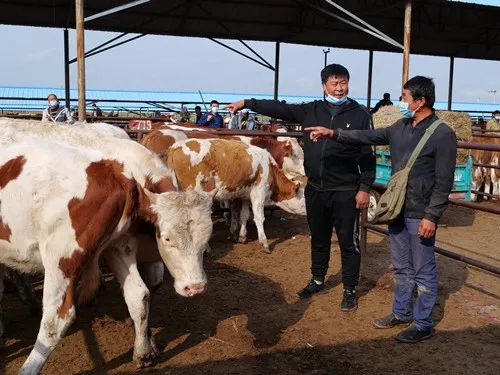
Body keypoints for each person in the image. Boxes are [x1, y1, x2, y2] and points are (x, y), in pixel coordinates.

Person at [306, 76, 457, 343]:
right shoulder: (400, 126)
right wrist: (334, 133)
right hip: (397, 208)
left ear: (420, 101)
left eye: (405, 97)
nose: (401, 101)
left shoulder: (442, 134)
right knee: (401, 266)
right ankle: (401, 312)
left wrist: (431, 216)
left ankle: (423, 323)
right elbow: (368, 136)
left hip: (420, 212)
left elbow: (444, 181)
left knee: (423, 269)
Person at [226, 64, 375, 311]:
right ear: (324, 85)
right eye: (334, 83)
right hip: (316, 188)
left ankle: (349, 288)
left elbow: (367, 153)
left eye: (343, 83)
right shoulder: (311, 110)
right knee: (319, 238)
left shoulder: (359, 114)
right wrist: (247, 102)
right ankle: (317, 279)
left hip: (345, 189)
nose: (339, 88)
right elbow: (281, 107)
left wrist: (364, 187)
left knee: (349, 241)